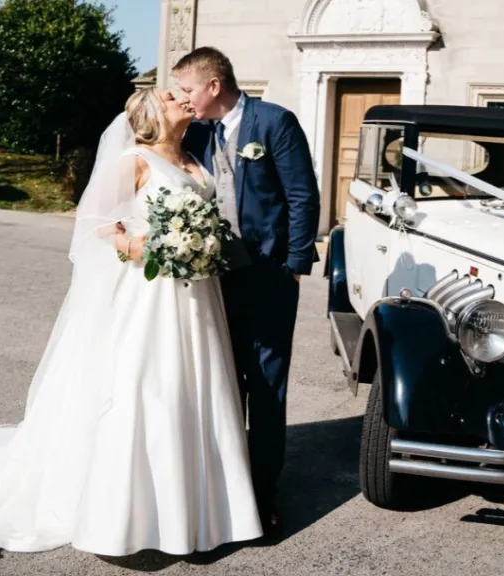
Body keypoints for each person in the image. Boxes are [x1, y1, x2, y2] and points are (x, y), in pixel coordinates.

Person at [0, 86, 263, 563]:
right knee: (147, 388)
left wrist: (200, 247)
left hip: (196, 295)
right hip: (150, 294)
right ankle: (131, 515)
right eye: (169, 97)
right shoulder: (134, 159)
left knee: (195, 388)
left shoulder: (197, 157)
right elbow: (96, 221)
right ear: (150, 115)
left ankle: (204, 509)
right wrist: (147, 250)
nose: (181, 99)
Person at [172, 46, 321, 537]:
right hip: (213, 278)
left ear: (214, 85)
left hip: (269, 276)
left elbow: (302, 196)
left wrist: (295, 265)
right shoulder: (197, 131)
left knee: (265, 385)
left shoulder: (274, 122)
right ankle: (224, 490)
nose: (184, 98)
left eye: (189, 89)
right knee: (221, 384)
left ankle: (263, 496)